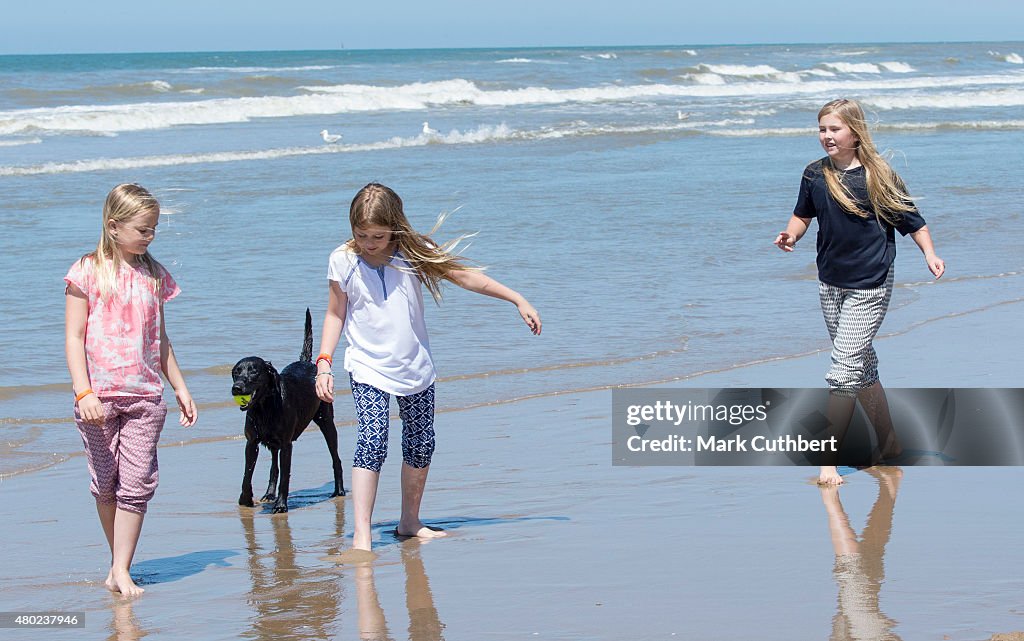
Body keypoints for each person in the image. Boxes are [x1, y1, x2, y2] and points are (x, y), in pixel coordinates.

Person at [315, 183, 541, 551]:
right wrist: (323, 362)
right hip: (367, 365)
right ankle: (361, 534)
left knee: (420, 444)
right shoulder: (342, 259)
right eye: (362, 235)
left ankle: (409, 521)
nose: (370, 243)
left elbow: (467, 277)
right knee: (372, 442)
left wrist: (516, 298)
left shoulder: (415, 253)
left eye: (378, 235)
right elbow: (335, 312)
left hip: (415, 366)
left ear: (394, 228)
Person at [773, 98, 944, 485]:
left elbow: (913, 222)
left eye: (834, 129)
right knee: (860, 366)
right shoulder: (814, 174)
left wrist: (930, 254)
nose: (826, 136)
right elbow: (802, 214)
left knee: (842, 370)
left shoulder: (877, 176)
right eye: (822, 129)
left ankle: (828, 462)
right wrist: (791, 235)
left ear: (855, 132)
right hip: (830, 283)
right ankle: (889, 442)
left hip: (871, 284)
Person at [65, 183, 197, 597]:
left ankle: (122, 569)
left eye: (154, 229)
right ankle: (117, 563)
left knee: (137, 483)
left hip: (144, 397)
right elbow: (73, 337)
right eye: (143, 229)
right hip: (97, 399)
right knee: (106, 484)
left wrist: (181, 387)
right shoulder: (85, 271)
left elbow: (161, 341)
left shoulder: (155, 275)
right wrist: (84, 393)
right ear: (113, 226)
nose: (150, 236)